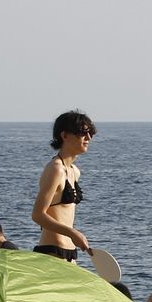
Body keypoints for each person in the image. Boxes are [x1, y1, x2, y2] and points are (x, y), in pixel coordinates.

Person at [31, 110, 97, 261]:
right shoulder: (55, 169)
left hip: (70, 252)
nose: (88, 138)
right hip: (51, 251)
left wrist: (72, 235)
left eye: (90, 133)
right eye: (82, 133)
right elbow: (38, 215)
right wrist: (73, 233)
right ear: (64, 135)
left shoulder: (75, 171)